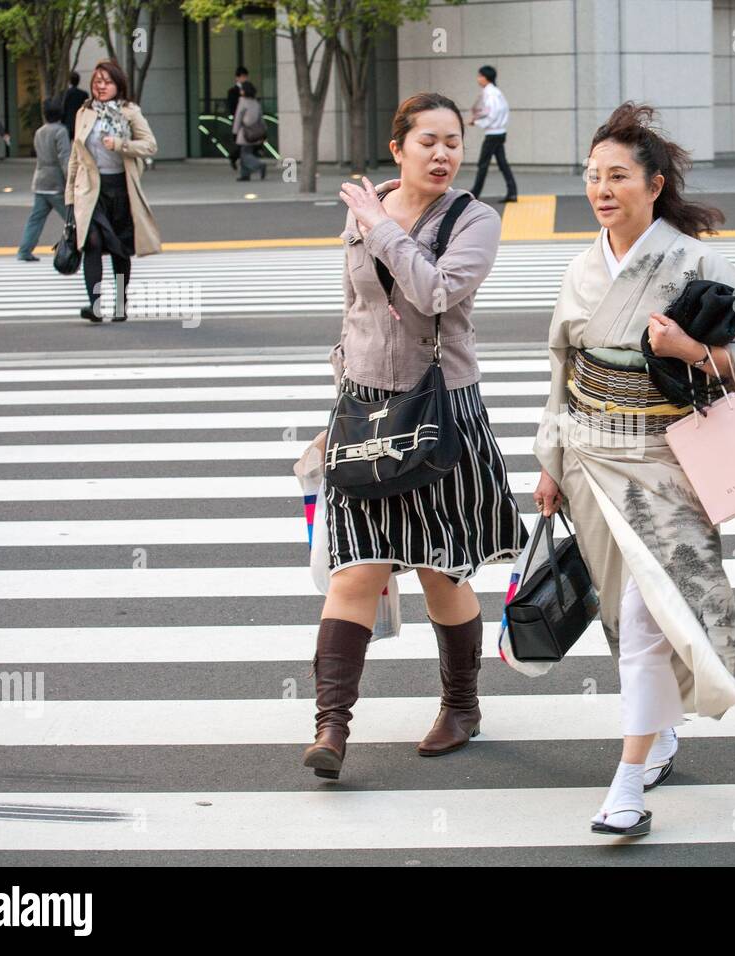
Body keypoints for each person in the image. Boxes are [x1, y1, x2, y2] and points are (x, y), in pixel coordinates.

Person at [533, 102, 735, 836]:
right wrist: (550, 462)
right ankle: (662, 731)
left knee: (652, 618)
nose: (602, 189)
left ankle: (626, 785)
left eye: (618, 176)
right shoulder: (582, 269)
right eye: (592, 177)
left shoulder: (698, 261)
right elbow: (561, 369)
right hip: (589, 460)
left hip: (667, 463)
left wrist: (691, 353)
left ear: (654, 183)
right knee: (624, 616)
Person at [302, 92, 528, 780]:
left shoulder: (475, 219)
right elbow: (354, 308)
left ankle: (461, 705)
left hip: (441, 412)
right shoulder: (367, 208)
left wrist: (378, 226)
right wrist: (338, 398)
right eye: (427, 140)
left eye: (454, 141)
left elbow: (433, 293)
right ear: (397, 147)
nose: (443, 153)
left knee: (440, 570)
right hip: (365, 412)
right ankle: (330, 728)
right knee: (356, 571)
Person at [65, 60, 161, 322]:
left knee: (119, 250)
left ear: (118, 85)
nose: (101, 87)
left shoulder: (130, 112)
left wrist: (120, 144)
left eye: (107, 82)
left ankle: (121, 303)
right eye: (97, 82)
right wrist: (70, 198)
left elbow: (150, 146)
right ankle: (95, 305)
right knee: (92, 243)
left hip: (121, 189)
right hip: (90, 192)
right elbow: (76, 156)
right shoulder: (84, 112)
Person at [16, 98, 71, 262]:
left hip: (40, 181)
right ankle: (87, 247)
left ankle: (24, 250)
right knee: (73, 219)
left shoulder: (39, 131)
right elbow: (64, 158)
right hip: (56, 184)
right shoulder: (61, 131)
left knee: (35, 219)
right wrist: (71, 181)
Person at [466, 65, 517, 202]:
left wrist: (477, 122)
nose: (478, 79)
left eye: (479, 76)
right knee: (502, 163)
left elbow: (491, 114)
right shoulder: (497, 92)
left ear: (485, 77)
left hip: (493, 134)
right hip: (499, 132)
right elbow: (503, 111)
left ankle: (475, 193)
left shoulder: (490, 94)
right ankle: (512, 192)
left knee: (483, 164)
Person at [231, 80, 266, 181]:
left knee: (245, 154)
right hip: (255, 131)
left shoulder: (242, 102)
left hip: (245, 131)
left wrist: (235, 131)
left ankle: (259, 165)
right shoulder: (256, 102)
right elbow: (261, 118)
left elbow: (238, 117)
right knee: (247, 152)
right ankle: (245, 175)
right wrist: (263, 131)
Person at [226, 66, 248, 171]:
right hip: (238, 120)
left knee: (247, 141)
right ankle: (234, 157)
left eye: (245, 77)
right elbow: (232, 107)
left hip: (248, 120)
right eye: (242, 77)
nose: (244, 79)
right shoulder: (232, 91)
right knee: (240, 142)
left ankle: (241, 160)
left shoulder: (249, 89)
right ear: (237, 78)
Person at [61, 72, 88, 142]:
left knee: (67, 145)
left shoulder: (65, 94)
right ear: (78, 81)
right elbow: (86, 109)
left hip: (68, 123)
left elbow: (63, 108)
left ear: (69, 81)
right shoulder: (84, 94)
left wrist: (62, 121)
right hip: (80, 123)